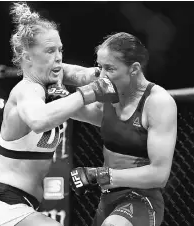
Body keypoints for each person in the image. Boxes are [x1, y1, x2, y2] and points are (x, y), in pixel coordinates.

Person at [0, 3, 119, 226]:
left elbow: (83, 78)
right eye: (50, 51)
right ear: (27, 57)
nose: (58, 56)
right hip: (3, 210)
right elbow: (38, 120)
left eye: (60, 49)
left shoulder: (51, 84)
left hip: (19, 207)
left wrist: (109, 74)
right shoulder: (27, 90)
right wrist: (89, 92)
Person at [70, 32, 177, 226]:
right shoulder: (110, 95)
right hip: (107, 199)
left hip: (141, 198)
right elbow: (64, 75)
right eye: (99, 67)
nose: (101, 77)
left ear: (134, 68)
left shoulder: (158, 102)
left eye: (109, 69)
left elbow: (160, 174)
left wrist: (99, 175)